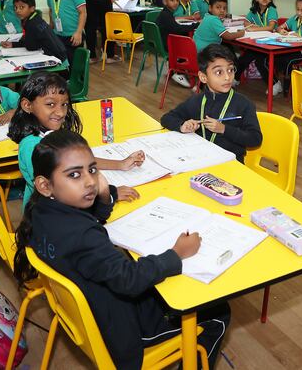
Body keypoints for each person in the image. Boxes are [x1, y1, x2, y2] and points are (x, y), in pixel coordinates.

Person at [12, 130, 230, 369]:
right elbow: (129, 280)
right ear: (45, 185)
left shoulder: (42, 212)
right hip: (124, 330)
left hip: (94, 314)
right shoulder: (83, 237)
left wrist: (104, 197)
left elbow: (88, 221)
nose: (89, 181)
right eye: (75, 174)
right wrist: (176, 254)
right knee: (218, 311)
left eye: (92, 170)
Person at [7, 72, 145, 209]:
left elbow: (80, 163)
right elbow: (59, 191)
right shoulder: (32, 146)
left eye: (64, 104)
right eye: (50, 104)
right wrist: (109, 194)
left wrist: (120, 164)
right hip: (48, 217)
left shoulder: (51, 132)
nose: (61, 112)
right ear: (27, 105)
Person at [161, 44, 262, 163]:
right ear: (203, 77)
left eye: (230, 70)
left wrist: (224, 129)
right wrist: (183, 125)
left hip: (232, 165)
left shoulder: (244, 104)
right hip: (201, 161)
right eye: (219, 72)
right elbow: (166, 118)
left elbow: (255, 139)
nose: (227, 77)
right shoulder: (196, 101)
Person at [0, 0, 68, 66]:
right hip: (60, 55)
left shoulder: (32, 23)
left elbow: (30, 46)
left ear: (32, 8)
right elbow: (31, 41)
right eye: (15, 7)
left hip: (56, 61)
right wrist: (13, 44)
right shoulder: (35, 18)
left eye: (22, 7)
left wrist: (18, 44)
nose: (17, 11)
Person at [271, 0, 302, 96]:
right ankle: (279, 83)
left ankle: (287, 89)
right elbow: (279, 27)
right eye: (297, 9)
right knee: (278, 58)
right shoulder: (294, 19)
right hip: (291, 48)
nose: (299, 13)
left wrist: (301, 37)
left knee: (288, 61)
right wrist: (280, 30)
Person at [234, 0, 278, 86]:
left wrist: (254, 28)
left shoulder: (271, 10)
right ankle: (236, 79)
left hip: (270, 43)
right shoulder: (254, 10)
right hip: (257, 42)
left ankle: (275, 84)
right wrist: (251, 25)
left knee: (260, 62)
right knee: (243, 59)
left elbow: (271, 27)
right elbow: (245, 22)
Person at [47, 0, 87, 65]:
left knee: (74, 65)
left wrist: (78, 32)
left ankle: (73, 81)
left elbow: (83, 12)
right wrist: (51, 27)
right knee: (60, 64)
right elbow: (51, 11)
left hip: (73, 36)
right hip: (57, 35)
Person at [155, 0, 196, 88]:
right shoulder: (166, 14)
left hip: (162, 42)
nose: (175, 3)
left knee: (184, 39)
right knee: (188, 46)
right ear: (165, 1)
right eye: (172, 0)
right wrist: (195, 25)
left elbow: (173, 27)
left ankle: (176, 70)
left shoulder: (167, 13)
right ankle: (178, 73)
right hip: (166, 45)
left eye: (177, 0)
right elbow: (177, 28)